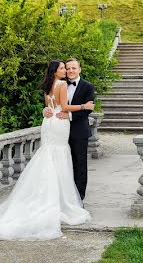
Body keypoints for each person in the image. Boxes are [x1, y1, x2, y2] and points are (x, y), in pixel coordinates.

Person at [0, 60, 94, 241]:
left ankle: (57, 197)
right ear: (56, 71)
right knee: (59, 157)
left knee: (51, 157)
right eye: (64, 68)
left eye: (70, 68)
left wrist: (48, 110)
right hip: (59, 124)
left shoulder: (49, 85)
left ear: (79, 69)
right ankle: (62, 202)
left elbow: (51, 105)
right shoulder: (63, 84)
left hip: (51, 124)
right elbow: (63, 107)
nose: (67, 70)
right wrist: (83, 106)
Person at [44, 57, 95, 199]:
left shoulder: (88, 86)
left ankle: (78, 198)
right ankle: (61, 196)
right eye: (68, 68)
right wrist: (46, 110)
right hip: (59, 130)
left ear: (79, 69)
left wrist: (70, 116)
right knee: (62, 163)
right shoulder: (60, 83)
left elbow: (88, 110)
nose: (70, 70)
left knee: (79, 165)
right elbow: (54, 103)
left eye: (73, 68)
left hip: (78, 131)